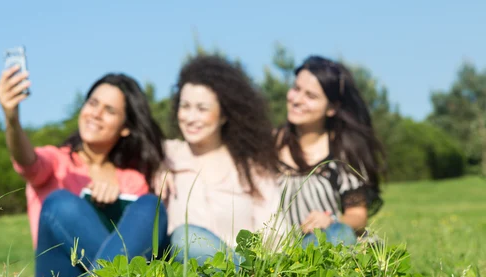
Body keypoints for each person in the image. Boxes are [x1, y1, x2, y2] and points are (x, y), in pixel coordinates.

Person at [0, 67, 167, 277]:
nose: (96, 113)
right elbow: (26, 160)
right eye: (93, 103)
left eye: (109, 110)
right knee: (60, 203)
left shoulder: (132, 180)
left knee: (151, 205)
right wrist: (12, 119)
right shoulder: (57, 162)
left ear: (125, 128)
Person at [160, 55, 281, 265]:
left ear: (224, 115)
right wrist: (158, 165)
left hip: (247, 270)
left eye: (202, 109)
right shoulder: (166, 155)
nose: (190, 117)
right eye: (185, 106)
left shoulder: (252, 168)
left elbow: (275, 234)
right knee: (184, 238)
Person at [275, 55, 384, 248]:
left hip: (328, 244)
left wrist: (331, 220)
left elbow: (358, 215)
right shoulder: (267, 145)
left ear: (332, 108)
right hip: (277, 251)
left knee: (336, 234)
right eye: (296, 89)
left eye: (311, 96)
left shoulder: (343, 151)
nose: (297, 100)